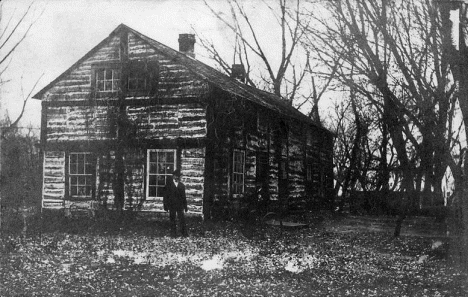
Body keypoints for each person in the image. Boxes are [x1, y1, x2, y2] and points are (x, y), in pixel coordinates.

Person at [163, 169, 188, 237]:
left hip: (180, 205)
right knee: (172, 219)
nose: (177, 177)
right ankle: (173, 234)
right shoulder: (168, 185)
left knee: (182, 219)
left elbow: (184, 197)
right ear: (173, 176)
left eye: (178, 176)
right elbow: (165, 196)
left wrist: (185, 207)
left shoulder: (182, 185)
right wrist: (165, 205)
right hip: (172, 205)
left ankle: (184, 233)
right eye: (176, 176)